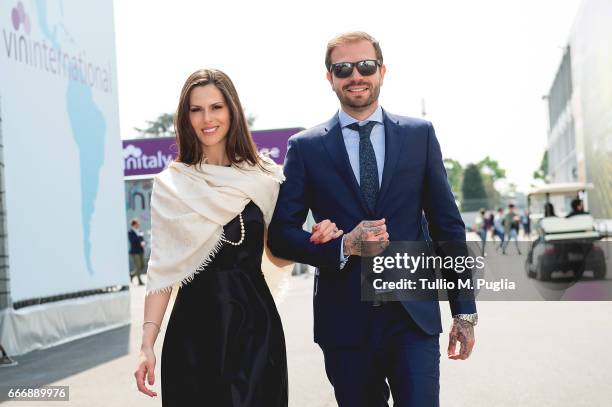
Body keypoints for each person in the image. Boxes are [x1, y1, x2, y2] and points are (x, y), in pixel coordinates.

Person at [268, 32, 477, 407]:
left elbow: (448, 225)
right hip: (345, 324)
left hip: (412, 317)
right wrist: (342, 245)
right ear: (329, 77)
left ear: (381, 70)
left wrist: (463, 309)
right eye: (342, 68)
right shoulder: (306, 148)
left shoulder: (419, 135)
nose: (355, 76)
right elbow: (281, 236)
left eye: (365, 66)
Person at [133, 69, 341, 406]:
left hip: (254, 327)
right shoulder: (171, 185)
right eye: (196, 109)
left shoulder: (265, 178)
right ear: (185, 118)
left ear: (232, 110)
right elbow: (162, 271)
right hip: (192, 331)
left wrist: (311, 240)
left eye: (216, 107)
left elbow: (278, 255)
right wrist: (146, 344)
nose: (207, 118)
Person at [128, 218, 145, 285]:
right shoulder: (130, 232)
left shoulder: (139, 231)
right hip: (134, 252)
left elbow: (142, 239)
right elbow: (133, 241)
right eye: (137, 224)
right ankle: (139, 281)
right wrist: (139, 238)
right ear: (134, 224)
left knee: (142, 265)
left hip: (141, 250)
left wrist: (143, 242)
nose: (139, 225)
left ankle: (132, 274)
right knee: (138, 266)